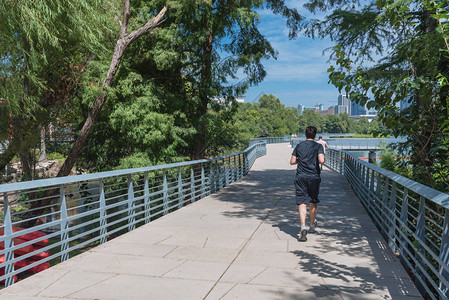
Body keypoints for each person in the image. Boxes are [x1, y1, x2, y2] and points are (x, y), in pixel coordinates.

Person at [290, 126, 325, 242]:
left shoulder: (299, 146)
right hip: (314, 177)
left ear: (305, 135)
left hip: (300, 177)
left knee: (301, 202)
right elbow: (321, 160)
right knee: (313, 201)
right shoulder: (318, 146)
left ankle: (303, 226)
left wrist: (302, 160)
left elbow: (292, 161)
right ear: (315, 135)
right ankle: (311, 225)